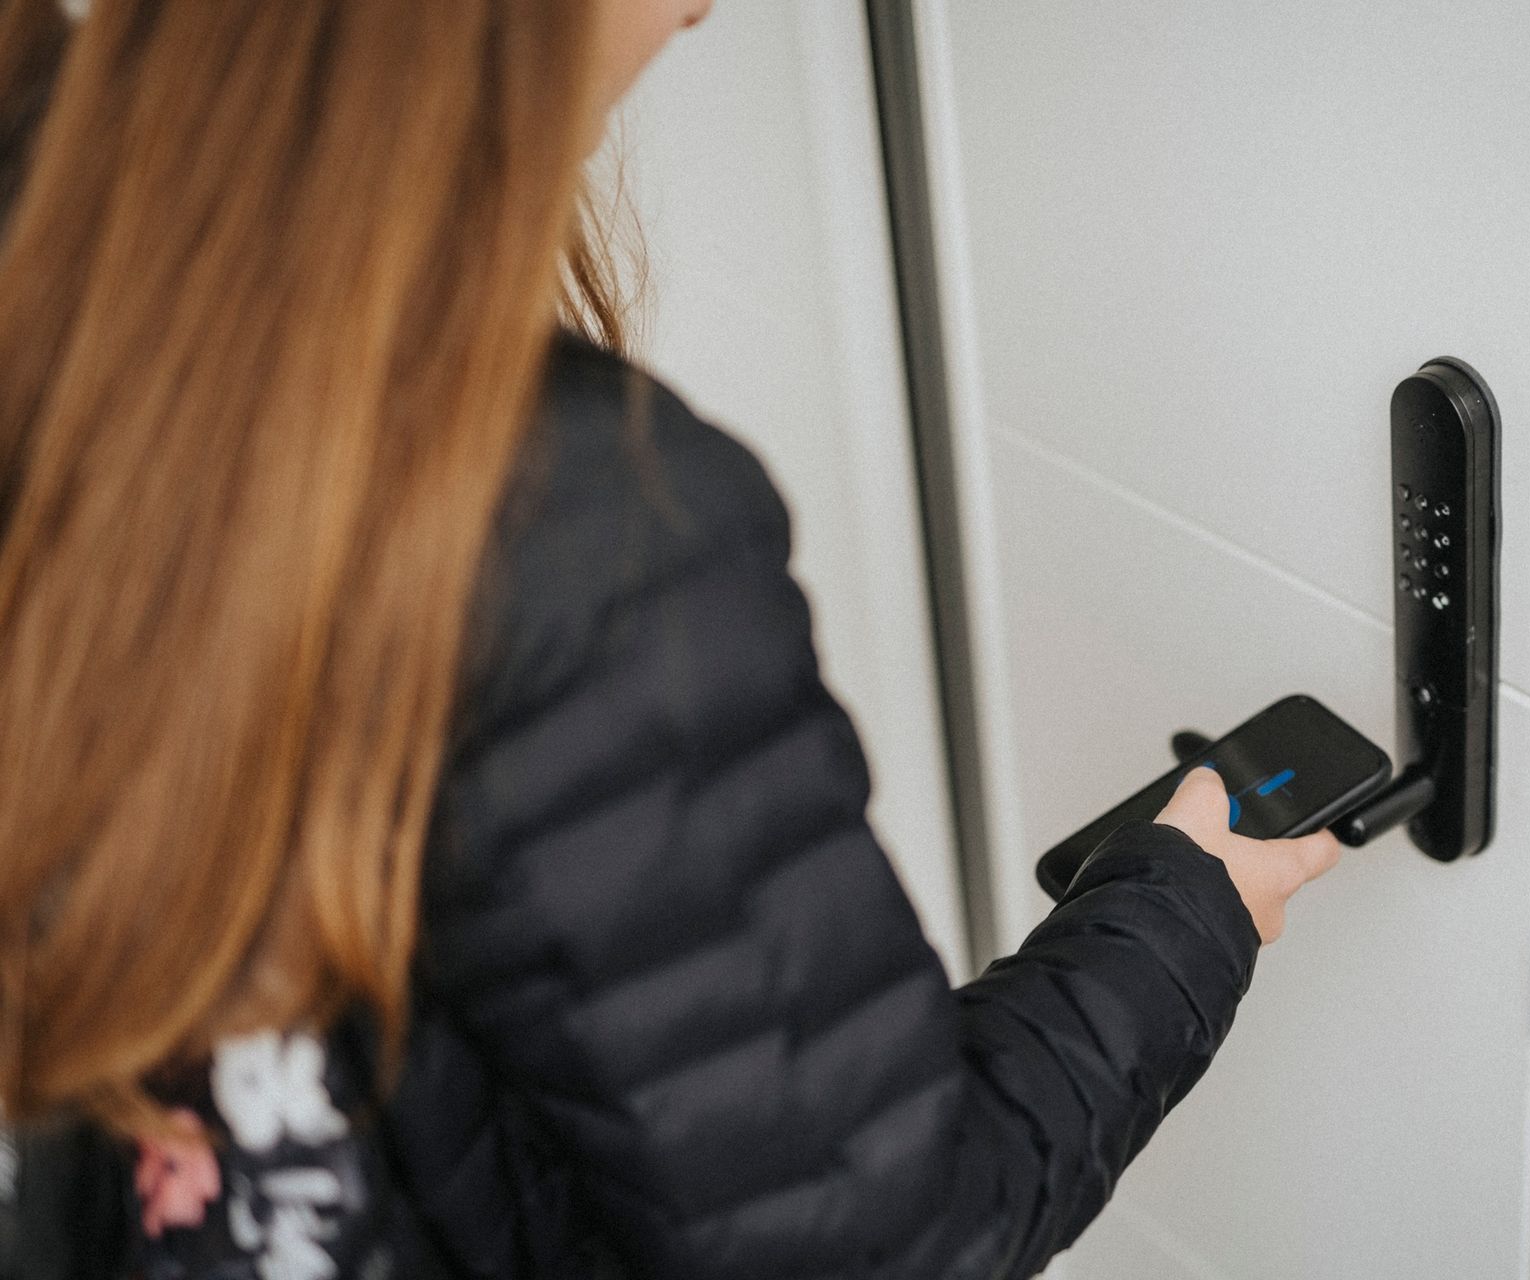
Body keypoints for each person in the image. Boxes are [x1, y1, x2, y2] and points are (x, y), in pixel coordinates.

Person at [0, 2, 1342, 1276]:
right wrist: (1188, 904)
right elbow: (879, 1243)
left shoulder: (47, 243)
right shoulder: (576, 538)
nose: (701, 11)